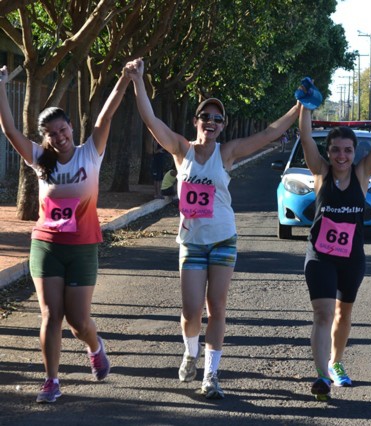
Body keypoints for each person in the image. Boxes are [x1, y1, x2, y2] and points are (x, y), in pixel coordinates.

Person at [125, 58, 300, 400]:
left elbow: (268, 134)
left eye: (218, 119)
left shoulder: (228, 152)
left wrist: (298, 107)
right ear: (197, 121)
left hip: (223, 239)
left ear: (223, 125)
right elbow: (151, 120)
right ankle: (190, 352)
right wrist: (138, 81)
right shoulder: (182, 149)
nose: (212, 122)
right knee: (191, 310)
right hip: (191, 242)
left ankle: (211, 374)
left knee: (216, 308)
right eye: (206, 116)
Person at [0, 65, 131, 403]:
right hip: (45, 245)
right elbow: (11, 129)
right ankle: (51, 380)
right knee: (50, 314)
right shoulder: (41, 159)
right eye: (52, 134)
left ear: (71, 127)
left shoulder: (91, 152)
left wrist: (125, 78)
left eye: (63, 130)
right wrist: (0, 85)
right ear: (46, 137)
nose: (59, 137)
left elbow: (105, 113)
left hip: (83, 246)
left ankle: (95, 345)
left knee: (77, 319)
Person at [298, 99, 371, 401]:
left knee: (343, 314)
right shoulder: (320, 171)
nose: (341, 156)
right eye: (336, 150)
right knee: (323, 313)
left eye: (347, 150)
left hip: (352, 258)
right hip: (320, 256)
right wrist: (305, 106)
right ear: (328, 153)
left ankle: (336, 362)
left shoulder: (362, 174)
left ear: (355, 153)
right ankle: (321, 377)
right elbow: (305, 135)